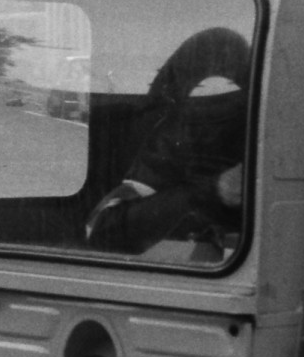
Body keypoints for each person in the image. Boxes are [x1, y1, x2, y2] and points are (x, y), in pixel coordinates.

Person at [85, 27, 250, 258]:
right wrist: (213, 191)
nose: (218, 94)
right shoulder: (173, 143)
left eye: (232, 82)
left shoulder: (271, 138)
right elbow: (101, 230)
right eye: (203, 86)